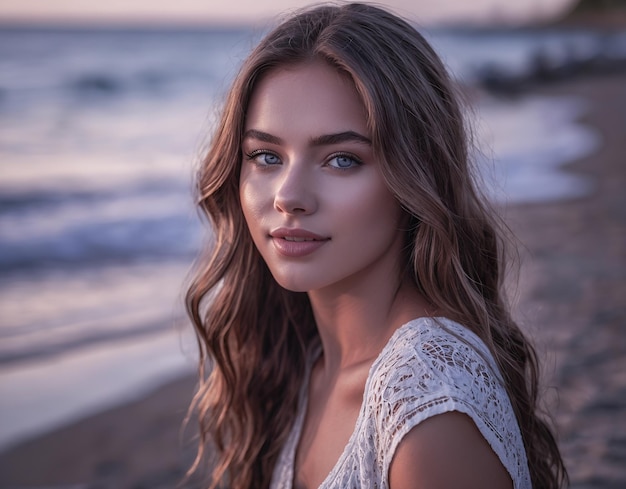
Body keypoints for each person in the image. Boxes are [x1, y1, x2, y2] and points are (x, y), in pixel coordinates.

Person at [185, 3, 567, 488]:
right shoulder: (301, 360)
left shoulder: (427, 400)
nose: (289, 197)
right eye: (266, 156)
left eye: (342, 160)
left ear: (416, 175)